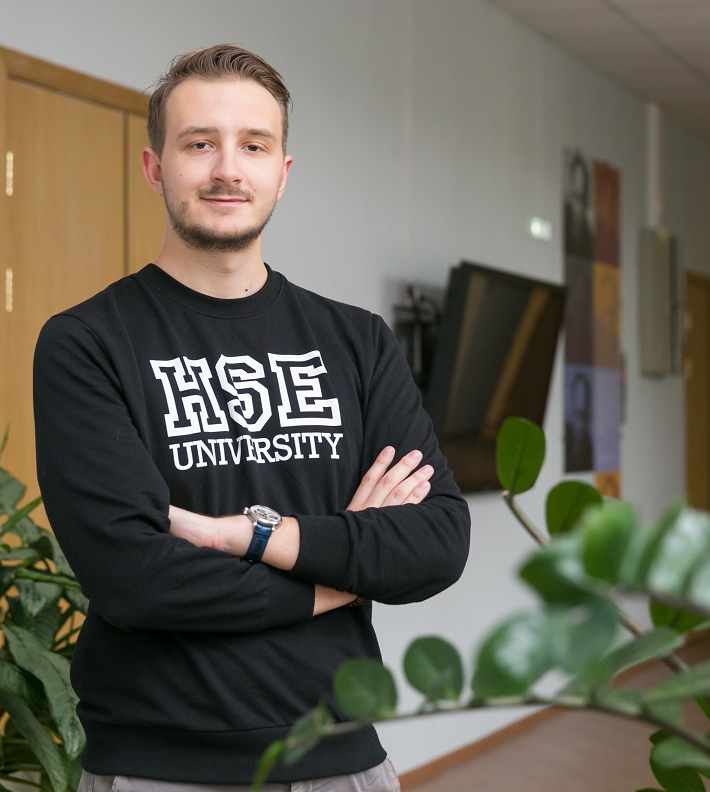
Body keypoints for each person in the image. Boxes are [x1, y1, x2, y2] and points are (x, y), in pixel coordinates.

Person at [33, 44, 471, 791]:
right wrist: (338, 573)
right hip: (159, 768)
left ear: (282, 172)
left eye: (254, 146)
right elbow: (133, 579)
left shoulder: (358, 342)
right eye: (199, 144)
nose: (228, 169)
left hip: (343, 759)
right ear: (155, 167)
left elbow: (436, 542)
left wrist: (251, 535)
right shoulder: (87, 343)